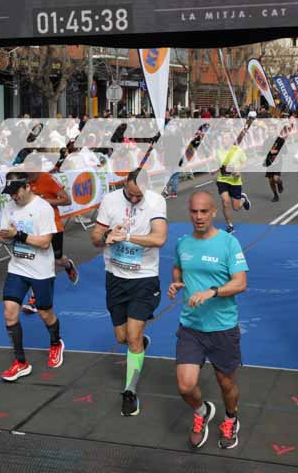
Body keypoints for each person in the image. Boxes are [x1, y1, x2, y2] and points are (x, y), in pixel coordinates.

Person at [168, 191, 248, 451]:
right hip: (191, 327)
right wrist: (177, 282)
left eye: (204, 211)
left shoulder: (228, 243)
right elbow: (178, 267)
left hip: (222, 328)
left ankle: (231, 418)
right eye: (194, 211)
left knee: (226, 383)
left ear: (214, 212)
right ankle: (202, 411)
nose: (199, 217)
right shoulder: (183, 243)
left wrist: (212, 292)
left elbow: (240, 283)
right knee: (185, 386)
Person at [90, 170, 168, 416]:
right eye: (130, 194)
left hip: (144, 278)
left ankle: (130, 391)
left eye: (139, 196)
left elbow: (159, 238)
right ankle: (140, 344)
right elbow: (94, 238)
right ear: (124, 184)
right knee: (122, 337)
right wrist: (107, 236)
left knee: (132, 337)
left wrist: (127, 236)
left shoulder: (156, 201)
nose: (134, 199)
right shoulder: (110, 200)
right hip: (115, 277)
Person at [0, 172, 64, 381]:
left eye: (16, 192)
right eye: (10, 193)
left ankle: (56, 343)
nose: (13, 197)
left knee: (45, 313)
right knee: (9, 313)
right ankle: (20, 362)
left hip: (41, 270)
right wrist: (6, 237)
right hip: (17, 268)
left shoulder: (43, 208)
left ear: (27, 187)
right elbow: (5, 237)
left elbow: (45, 242)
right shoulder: (9, 207)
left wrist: (18, 235)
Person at [21, 171, 79, 315]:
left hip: (54, 227)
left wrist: (44, 201)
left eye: (30, 172)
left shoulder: (48, 179)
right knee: (37, 262)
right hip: (35, 229)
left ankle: (67, 264)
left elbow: (67, 200)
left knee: (57, 260)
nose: (28, 176)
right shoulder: (24, 181)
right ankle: (35, 299)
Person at [215, 132, 251, 233]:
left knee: (236, 207)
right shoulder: (218, 152)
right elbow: (220, 166)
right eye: (222, 138)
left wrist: (238, 170)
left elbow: (245, 163)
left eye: (226, 138)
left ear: (231, 140)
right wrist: (215, 170)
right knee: (225, 202)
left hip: (235, 181)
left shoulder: (238, 151)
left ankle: (243, 199)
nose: (224, 140)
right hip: (222, 180)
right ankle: (230, 225)